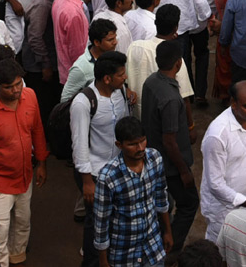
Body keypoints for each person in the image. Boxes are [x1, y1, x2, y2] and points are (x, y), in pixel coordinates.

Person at [0, 59, 48, 267]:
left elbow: (38, 130)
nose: (16, 90)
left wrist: (41, 162)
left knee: (23, 222)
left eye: (18, 84)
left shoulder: (30, 96)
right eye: (9, 87)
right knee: (0, 232)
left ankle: (18, 257)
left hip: (25, 176)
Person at [72, 52, 132, 267]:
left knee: (113, 219)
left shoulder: (120, 92)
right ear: (107, 79)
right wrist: (87, 182)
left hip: (116, 169)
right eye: (121, 75)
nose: (125, 78)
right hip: (95, 173)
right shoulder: (83, 102)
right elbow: (79, 145)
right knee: (95, 223)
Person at [91, 115, 172, 267]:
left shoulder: (155, 159)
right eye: (133, 144)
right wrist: (103, 260)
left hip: (153, 246)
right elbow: (101, 222)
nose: (140, 148)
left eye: (142, 141)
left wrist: (167, 231)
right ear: (119, 145)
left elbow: (161, 198)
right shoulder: (108, 177)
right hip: (124, 252)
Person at [140, 40, 197, 253]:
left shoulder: (151, 82)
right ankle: (170, 250)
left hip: (154, 159)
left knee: (163, 204)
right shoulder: (171, 98)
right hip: (170, 165)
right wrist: (184, 171)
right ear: (179, 63)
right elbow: (169, 141)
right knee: (189, 203)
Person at [200, 81, 246, 244]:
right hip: (223, 211)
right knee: (221, 253)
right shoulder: (218, 134)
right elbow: (215, 184)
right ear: (233, 103)